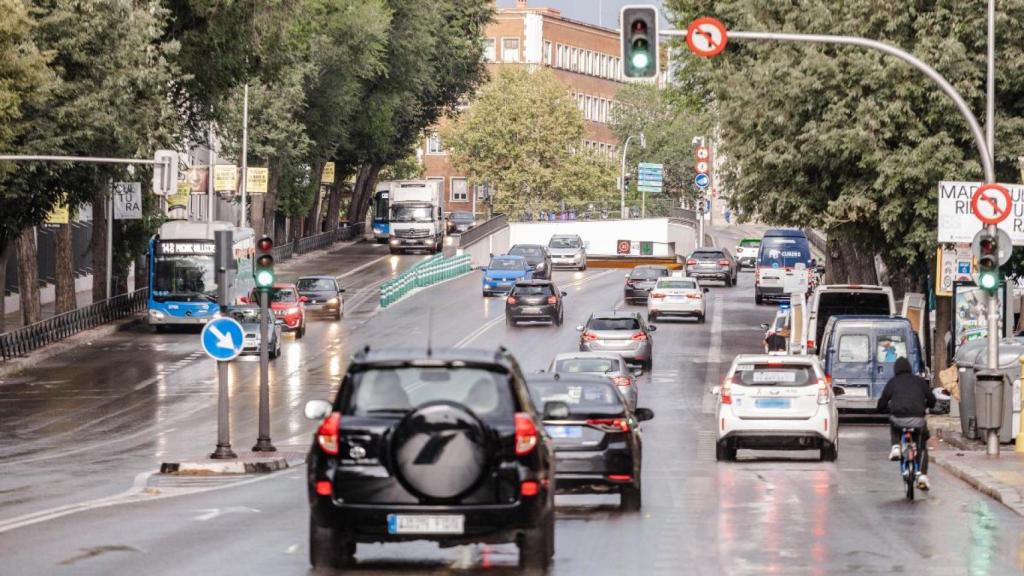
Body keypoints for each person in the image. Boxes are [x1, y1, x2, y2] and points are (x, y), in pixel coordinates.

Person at [876, 357, 936, 490]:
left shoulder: (893, 382)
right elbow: (932, 399)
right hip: (918, 420)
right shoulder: (919, 382)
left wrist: (888, 410)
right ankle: (922, 475)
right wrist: (926, 405)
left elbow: (881, 404)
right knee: (921, 445)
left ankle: (896, 446)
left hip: (898, 419)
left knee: (893, 422)